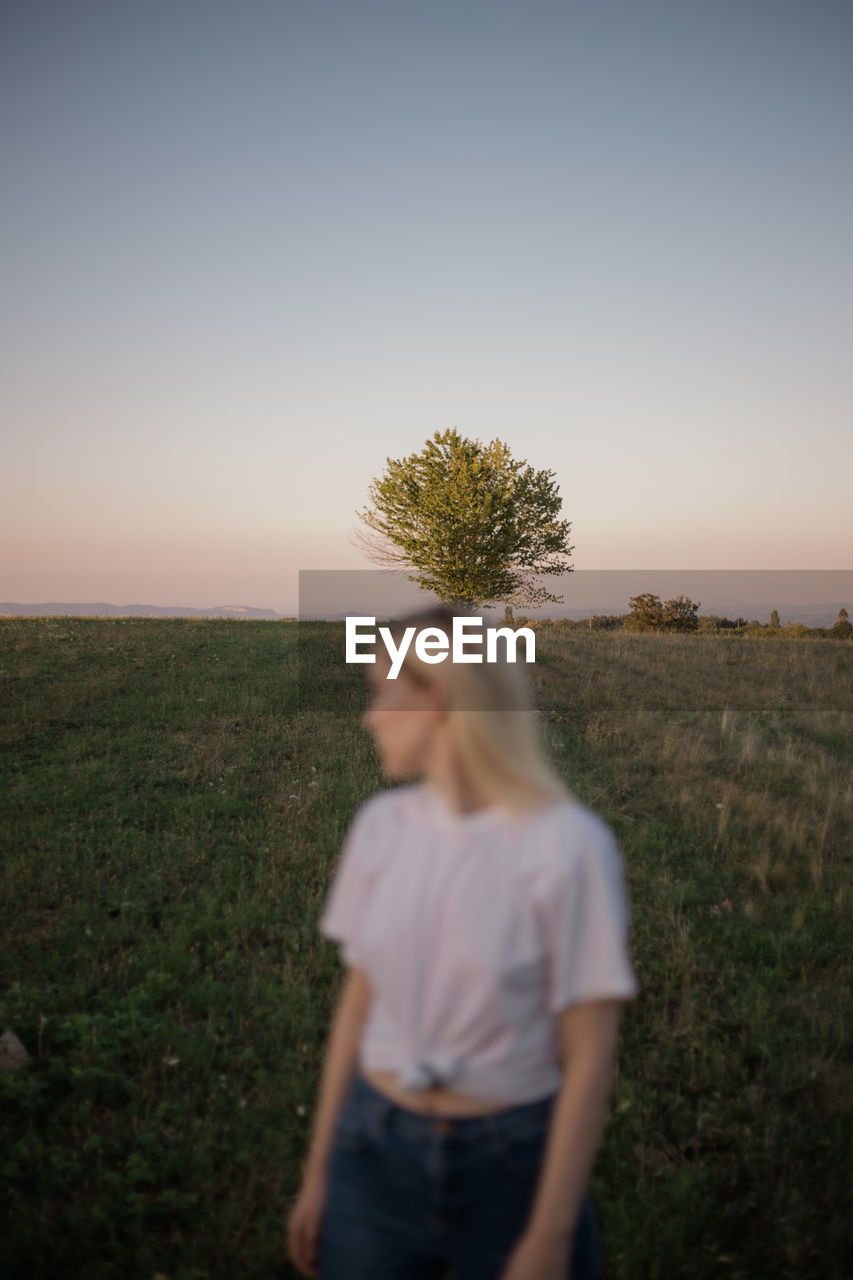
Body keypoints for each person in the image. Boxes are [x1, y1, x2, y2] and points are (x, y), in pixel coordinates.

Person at [286, 604, 638, 1279]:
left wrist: (548, 1236)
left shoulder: (567, 846)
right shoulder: (380, 828)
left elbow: (589, 1053)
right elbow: (358, 1010)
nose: (370, 716)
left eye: (383, 693)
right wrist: (320, 1172)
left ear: (437, 700)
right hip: (371, 1153)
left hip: (510, 1169)